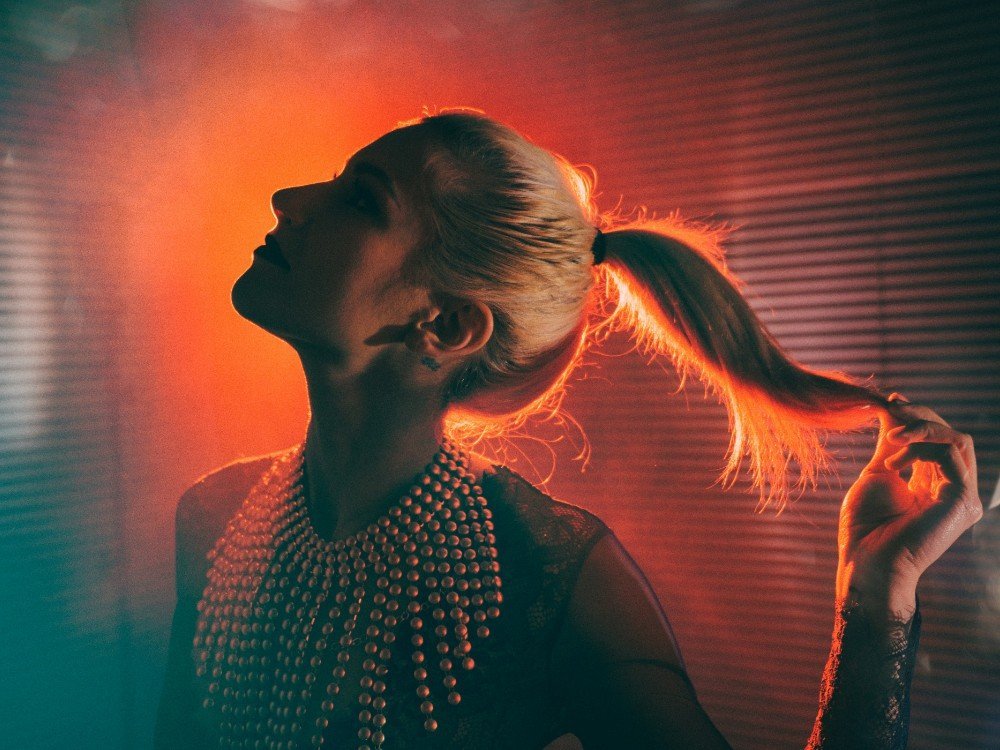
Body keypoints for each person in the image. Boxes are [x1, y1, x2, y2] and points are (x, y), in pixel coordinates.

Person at [154, 108, 985, 749]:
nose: (290, 200)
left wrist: (877, 599)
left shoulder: (552, 576)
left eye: (362, 199)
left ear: (446, 325)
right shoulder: (216, 518)